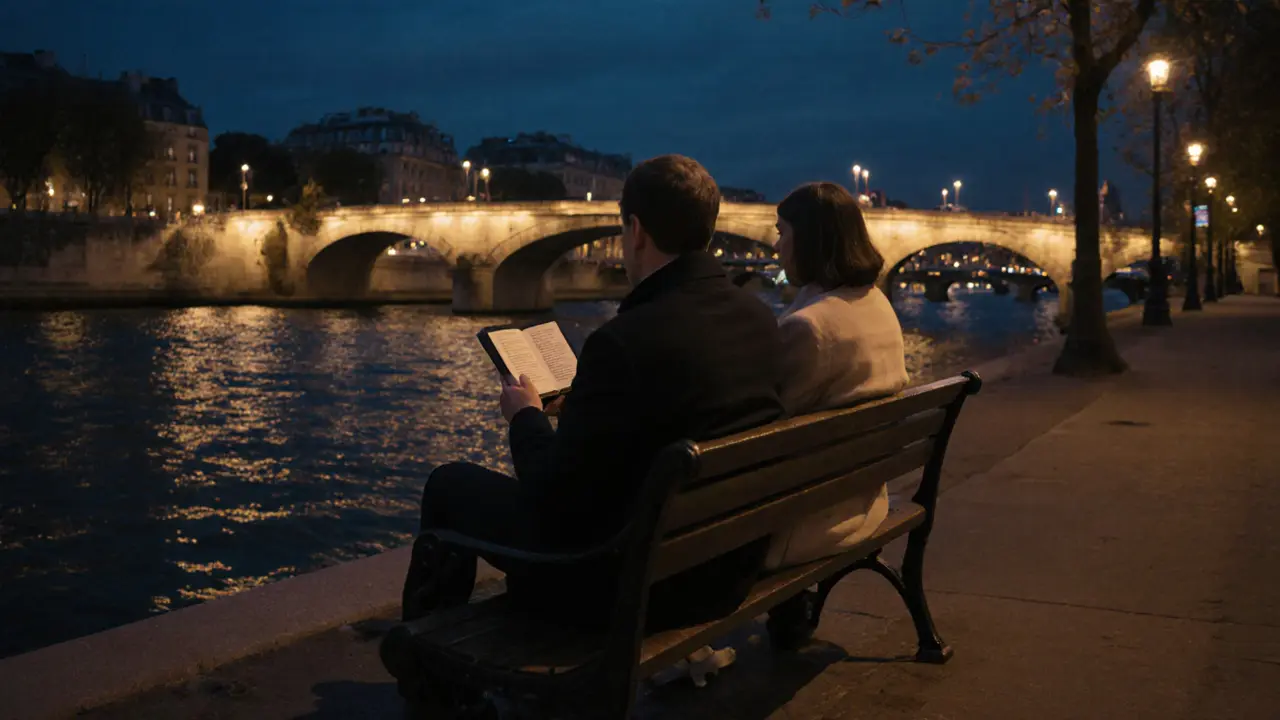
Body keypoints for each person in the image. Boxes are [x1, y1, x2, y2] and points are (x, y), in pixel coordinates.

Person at [401, 155, 786, 637]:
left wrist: (526, 416)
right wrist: (585, 408)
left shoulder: (626, 340)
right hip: (721, 568)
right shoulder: (758, 319)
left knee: (449, 484)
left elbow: (552, 495)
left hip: (626, 585)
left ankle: (427, 656)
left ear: (637, 231)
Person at [765, 182, 909, 570]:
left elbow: (769, 424)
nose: (776, 247)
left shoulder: (809, 327)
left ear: (809, 240)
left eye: (782, 233)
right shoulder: (877, 305)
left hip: (806, 523)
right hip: (862, 501)